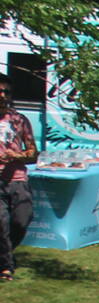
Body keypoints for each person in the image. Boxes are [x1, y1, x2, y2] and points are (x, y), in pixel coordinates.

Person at [0, 77, 36, 283]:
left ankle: (4, 254)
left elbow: (33, 153)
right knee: (0, 223)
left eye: (7, 92)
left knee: (21, 221)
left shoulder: (19, 120)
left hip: (17, 179)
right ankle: (6, 266)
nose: (3, 96)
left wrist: (16, 156)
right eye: (0, 92)